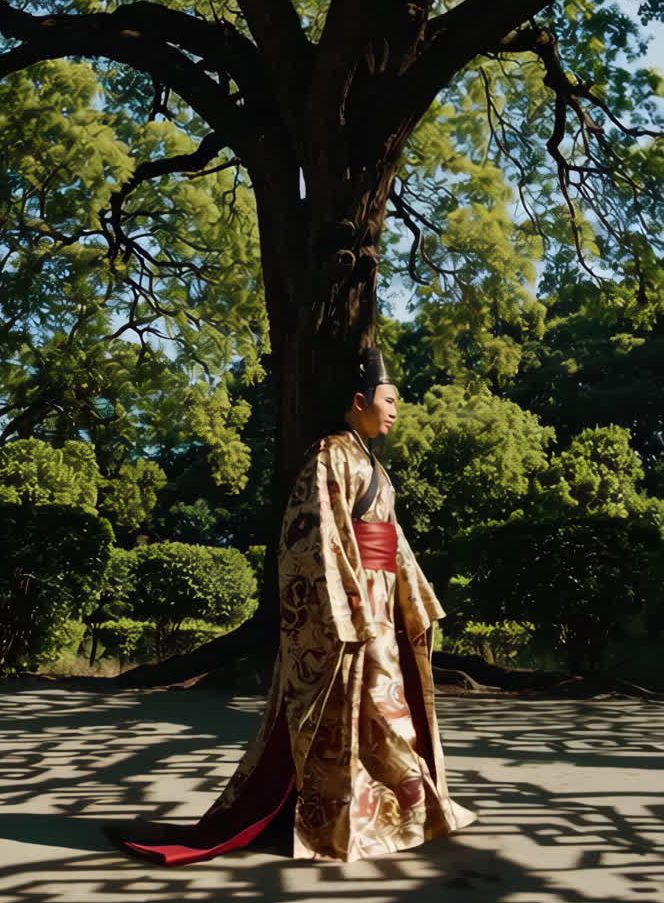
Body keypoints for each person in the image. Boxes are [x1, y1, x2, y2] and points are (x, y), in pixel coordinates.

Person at [105, 348, 475, 865]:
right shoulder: (330, 454)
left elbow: (393, 542)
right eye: (389, 399)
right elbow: (314, 538)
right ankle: (350, 820)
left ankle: (399, 813)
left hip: (380, 603)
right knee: (369, 715)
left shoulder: (373, 465)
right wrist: (346, 609)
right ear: (359, 401)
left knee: (389, 713)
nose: (395, 409)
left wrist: (410, 597)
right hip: (353, 609)